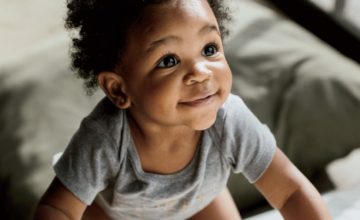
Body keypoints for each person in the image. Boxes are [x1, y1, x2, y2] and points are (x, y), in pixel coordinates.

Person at [34, 0, 332, 219]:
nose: (201, 72)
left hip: (201, 204)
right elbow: (57, 208)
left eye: (209, 49)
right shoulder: (105, 137)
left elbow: (291, 191)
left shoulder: (230, 120)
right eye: (168, 61)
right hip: (116, 215)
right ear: (118, 89)